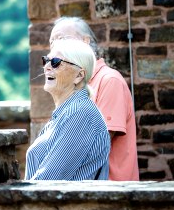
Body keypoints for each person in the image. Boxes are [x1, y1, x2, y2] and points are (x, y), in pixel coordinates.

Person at [49, 17, 139, 181]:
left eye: (61, 38)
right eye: (52, 41)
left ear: (86, 42)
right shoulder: (72, 86)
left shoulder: (109, 81)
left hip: (111, 192)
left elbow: (95, 144)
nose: (55, 45)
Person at [24, 38, 110, 180]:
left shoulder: (80, 114)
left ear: (79, 76)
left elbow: (48, 181)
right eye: (46, 60)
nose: (47, 67)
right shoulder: (68, 112)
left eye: (56, 62)